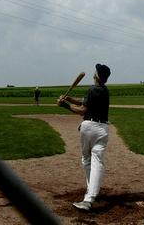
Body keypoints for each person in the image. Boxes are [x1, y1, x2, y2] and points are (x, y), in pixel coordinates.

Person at [57, 63, 111, 212]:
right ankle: (91, 195)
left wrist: (64, 106)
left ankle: (89, 195)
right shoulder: (105, 91)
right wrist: (67, 99)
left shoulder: (93, 89)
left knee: (87, 160)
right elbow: (83, 101)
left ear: (96, 75)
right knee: (97, 160)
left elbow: (82, 110)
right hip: (103, 129)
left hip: (89, 128)